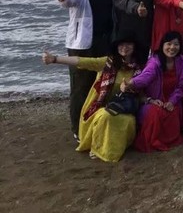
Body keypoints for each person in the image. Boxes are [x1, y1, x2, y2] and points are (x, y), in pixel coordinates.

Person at [42, 32, 145, 162]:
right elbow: (81, 61)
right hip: (101, 106)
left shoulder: (139, 68)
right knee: (106, 116)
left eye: (128, 44)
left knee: (126, 121)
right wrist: (55, 59)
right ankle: (98, 148)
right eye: (121, 44)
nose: (124, 47)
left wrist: (131, 89)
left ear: (134, 46)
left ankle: (116, 148)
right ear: (116, 46)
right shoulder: (107, 62)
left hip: (125, 107)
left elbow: (143, 92)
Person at [56, 0, 114, 141]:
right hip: (81, 46)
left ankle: (95, 122)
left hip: (104, 44)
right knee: (80, 88)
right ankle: (78, 128)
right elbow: (69, 1)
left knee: (101, 86)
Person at [122, 31, 183, 153]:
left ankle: (167, 141)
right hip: (151, 100)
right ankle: (152, 141)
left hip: (171, 99)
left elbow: (181, 86)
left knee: (173, 111)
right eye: (169, 44)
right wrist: (131, 83)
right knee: (155, 112)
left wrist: (172, 101)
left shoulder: (181, 61)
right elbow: (146, 75)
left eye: (176, 44)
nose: (172, 47)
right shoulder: (154, 61)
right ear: (162, 45)